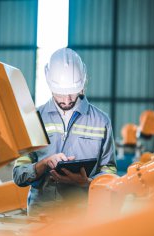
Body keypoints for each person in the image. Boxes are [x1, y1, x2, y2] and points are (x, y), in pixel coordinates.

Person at [13, 48, 117, 216]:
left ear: (83, 84)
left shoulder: (101, 121)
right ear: (49, 84)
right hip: (41, 217)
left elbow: (109, 172)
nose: (67, 100)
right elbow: (19, 175)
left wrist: (87, 182)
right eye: (60, 94)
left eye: (72, 92)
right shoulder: (34, 119)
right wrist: (44, 163)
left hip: (82, 218)